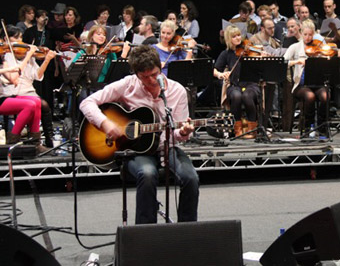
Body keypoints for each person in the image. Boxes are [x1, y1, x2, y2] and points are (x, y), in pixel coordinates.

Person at [80, 44, 198, 224]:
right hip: (135, 149)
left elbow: (177, 134)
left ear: (160, 67)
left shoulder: (177, 91)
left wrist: (183, 132)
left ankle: (187, 230)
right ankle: (145, 233)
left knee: (191, 177)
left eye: (155, 74)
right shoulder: (128, 85)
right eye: (145, 77)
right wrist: (106, 123)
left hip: (167, 146)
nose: (151, 80)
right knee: (148, 174)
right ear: (136, 74)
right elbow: (87, 103)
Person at [284, 20, 340, 136]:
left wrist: (337, 57)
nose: (308, 38)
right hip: (301, 85)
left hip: (318, 83)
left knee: (326, 96)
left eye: (310, 35)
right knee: (310, 96)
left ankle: (322, 126)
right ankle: (308, 126)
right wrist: (297, 61)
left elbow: (330, 64)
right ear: (301, 33)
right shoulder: (295, 47)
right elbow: (283, 61)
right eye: (305, 34)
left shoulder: (319, 46)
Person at [3, 25, 58, 149]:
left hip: (29, 91)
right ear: (6, 40)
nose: (20, 42)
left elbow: (37, 76)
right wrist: (29, 55)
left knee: (39, 103)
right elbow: (15, 75)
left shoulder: (26, 53)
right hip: (12, 92)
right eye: (15, 38)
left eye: (21, 38)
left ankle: (36, 141)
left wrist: (47, 60)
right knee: (37, 103)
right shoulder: (6, 55)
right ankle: (16, 140)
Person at [214, 25, 260, 139]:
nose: (238, 38)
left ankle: (252, 128)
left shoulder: (248, 49)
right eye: (234, 36)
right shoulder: (226, 53)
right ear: (229, 39)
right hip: (235, 85)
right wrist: (220, 74)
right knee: (236, 96)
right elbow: (215, 69)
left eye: (239, 35)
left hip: (251, 84)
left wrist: (262, 56)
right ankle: (237, 128)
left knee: (248, 96)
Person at [1, 41, 44, 147]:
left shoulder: (3, 61)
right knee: (29, 105)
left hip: (3, 97)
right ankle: (13, 140)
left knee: (36, 101)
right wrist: (28, 55)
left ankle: (35, 143)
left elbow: (13, 79)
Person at [72, 25, 131, 101]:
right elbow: (74, 68)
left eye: (104, 35)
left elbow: (116, 71)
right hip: (86, 86)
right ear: (91, 36)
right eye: (99, 34)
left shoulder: (110, 53)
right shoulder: (83, 52)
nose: (102, 36)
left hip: (103, 87)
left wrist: (124, 54)